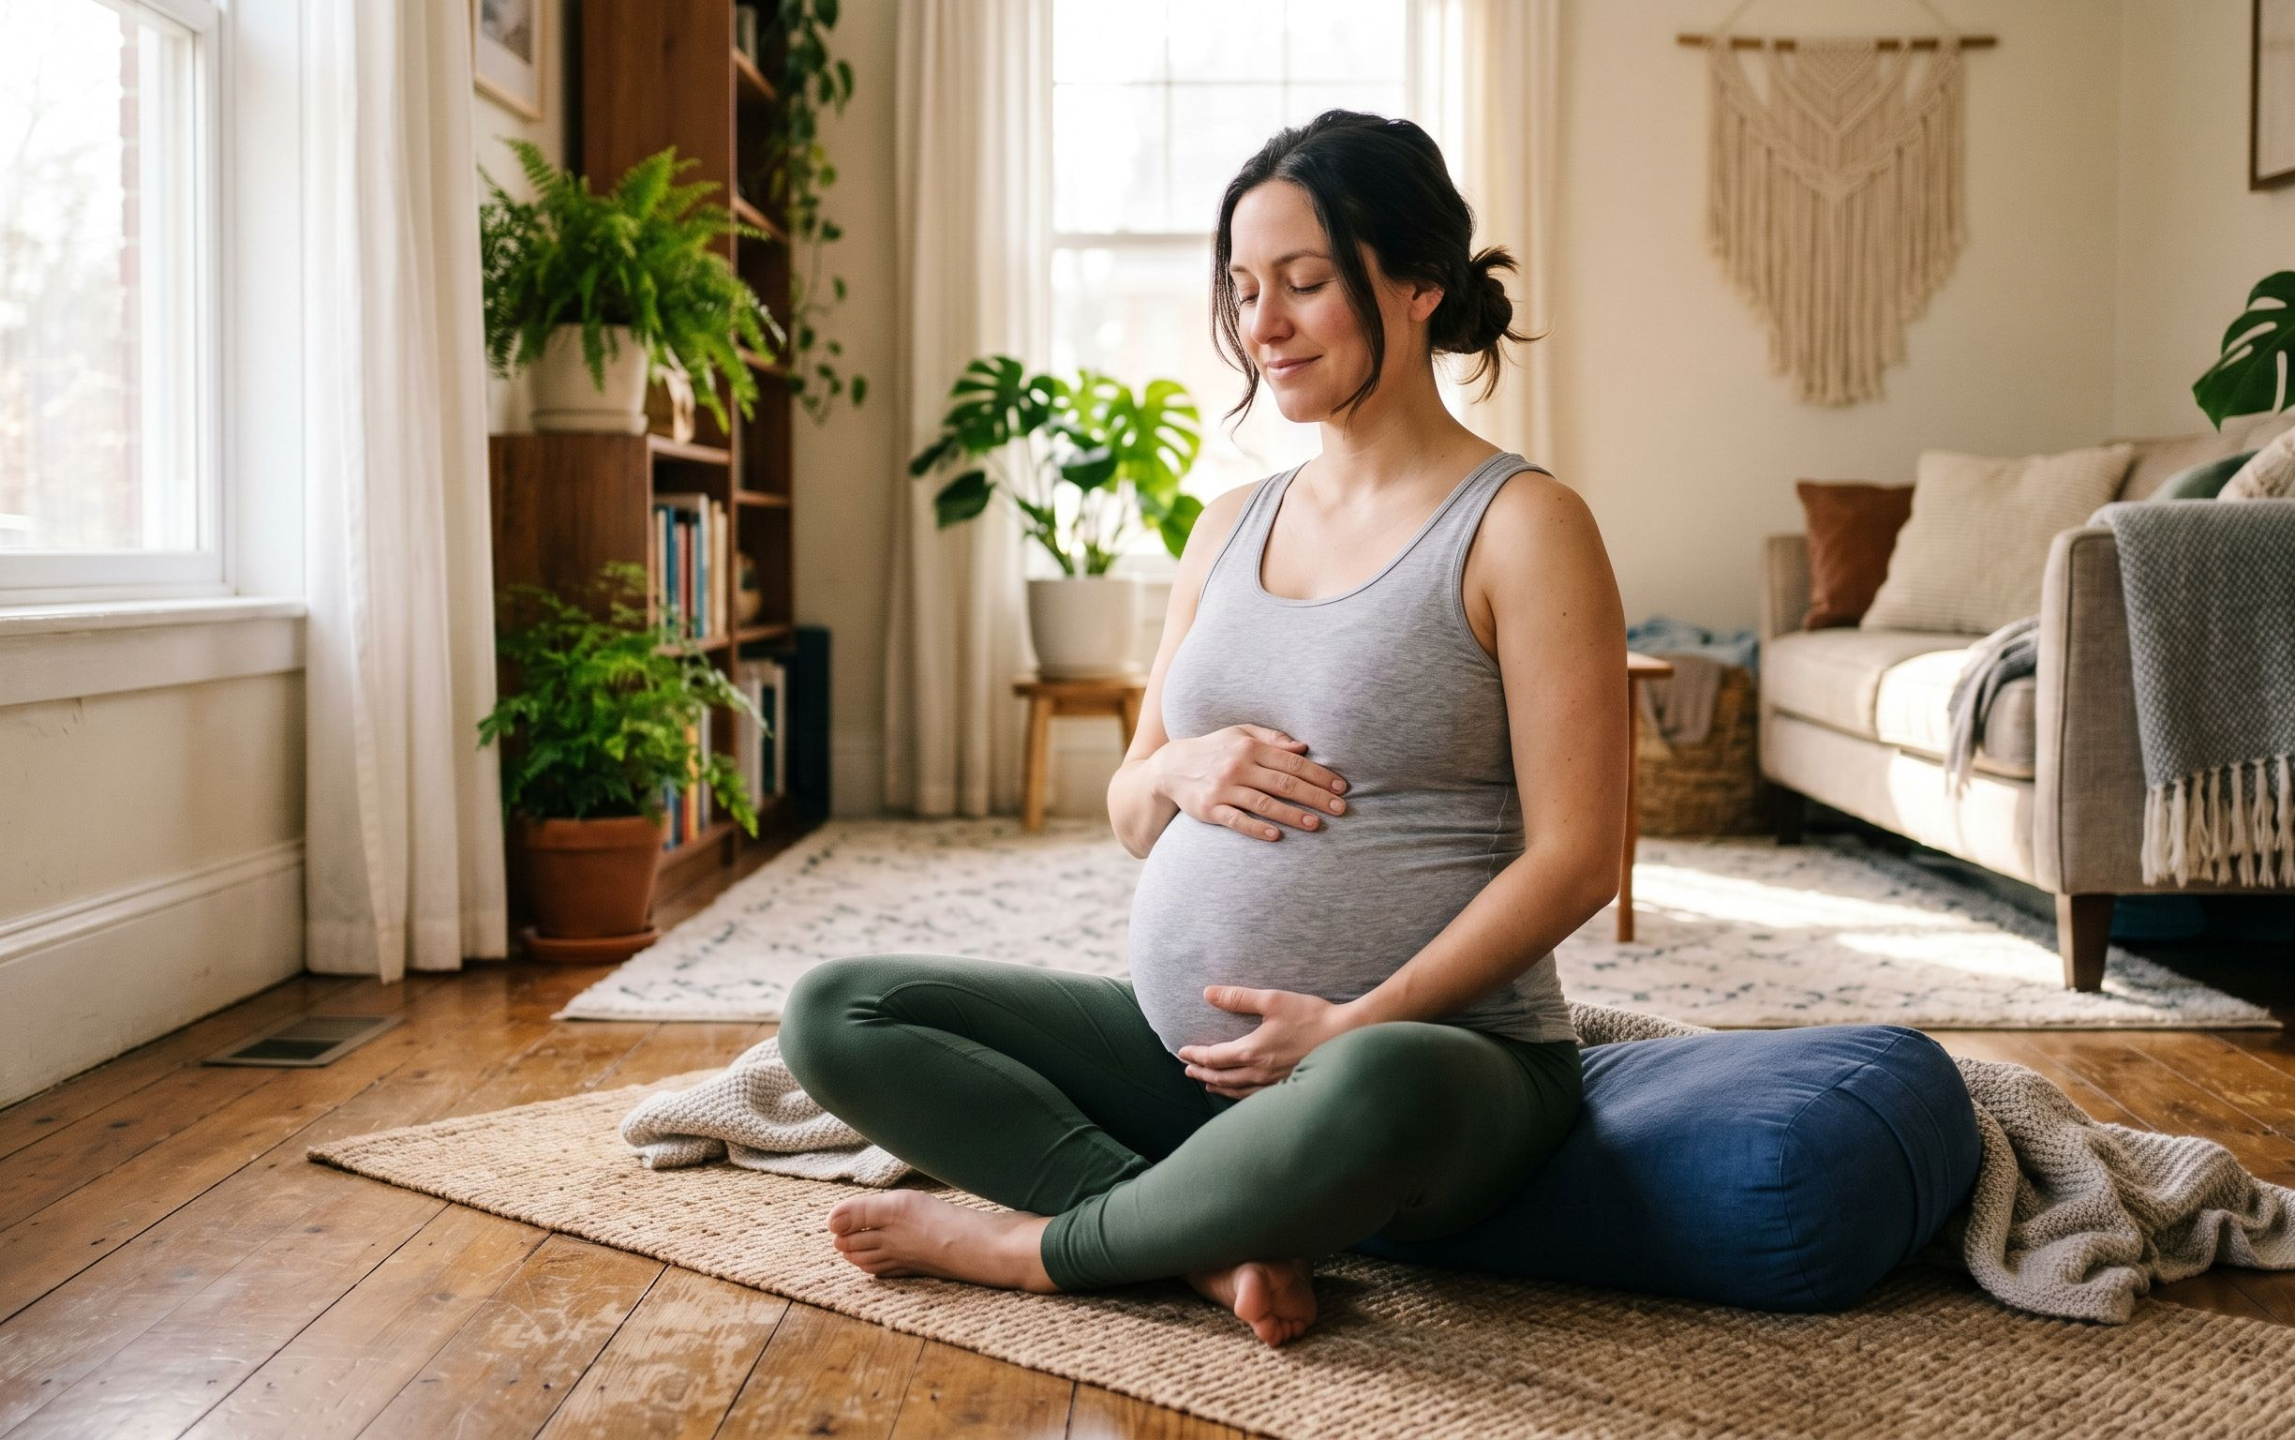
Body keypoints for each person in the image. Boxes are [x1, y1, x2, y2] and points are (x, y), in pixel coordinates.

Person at [776, 110, 1628, 1349]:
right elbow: (1131, 813)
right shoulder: (1227, 525)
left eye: (1304, 282)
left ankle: (1040, 1248)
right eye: (1241, 290)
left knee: (1374, 1087)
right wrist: (1176, 759)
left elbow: (1578, 859)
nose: (1261, 326)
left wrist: (1352, 1024)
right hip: (1182, 1065)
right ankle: (1203, 1244)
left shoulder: (1523, 525)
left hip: (1425, 1068)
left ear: (1419, 284)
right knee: (836, 1010)